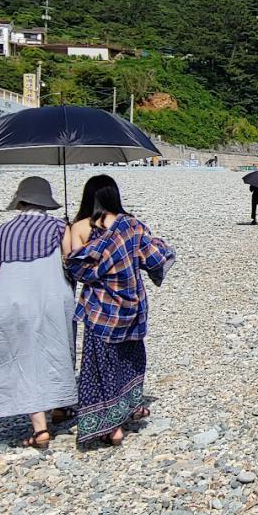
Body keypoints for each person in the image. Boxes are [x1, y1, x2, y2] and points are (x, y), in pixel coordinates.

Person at [65, 175, 175, 445]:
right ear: (114, 196)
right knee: (129, 360)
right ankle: (128, 409)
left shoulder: (78, 227)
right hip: (131, 305)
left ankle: (109, 427)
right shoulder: (132, 226)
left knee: (99, 366)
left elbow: (73, 268)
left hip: (99, 308)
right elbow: (155, 258)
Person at [0, 176, 77, 448]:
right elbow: (71, 263)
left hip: (12, 301)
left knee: (22, 357)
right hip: (52, 299)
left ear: (20, 201)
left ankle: (40, 424)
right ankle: (57, 406)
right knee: (54, 351)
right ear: (46, 202)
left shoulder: (3, 231)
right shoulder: (58, 227)